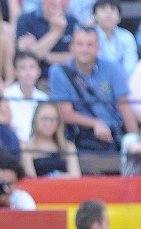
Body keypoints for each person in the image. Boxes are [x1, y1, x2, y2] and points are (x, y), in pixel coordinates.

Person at [49, 25, 139, 172]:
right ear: (71, 47)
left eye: (90, 44)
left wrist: (135, 140)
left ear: (99, 48)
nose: (85, 49)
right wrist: (95, 123)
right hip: (78, 136)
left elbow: (124, 107)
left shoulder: (113, 68)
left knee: (133, 148)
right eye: (80, 44)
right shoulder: (59, 72)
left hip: (113, 135)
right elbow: (64, 113)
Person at [15, 0, 78, 78]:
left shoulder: (73, 22)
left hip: (67, 79)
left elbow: (77, 57)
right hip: (38, 80)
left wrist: (45, 55)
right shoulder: (26, 20)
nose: (58, 2)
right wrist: (56, 32)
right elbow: (25, 56)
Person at [20, 101, 81, 177]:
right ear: (35, 120)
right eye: (44, 118)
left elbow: (76, 176)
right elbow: (31, 177)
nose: (48, 123)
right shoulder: (26, 146)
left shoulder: (68, 146)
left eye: (53, 119)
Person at [4, 50, 49, 142]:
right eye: (23, 68)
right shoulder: (6, 95)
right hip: (13, 145)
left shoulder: (44, 98)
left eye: (32, 67)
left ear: (38, 71)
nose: (28, 72)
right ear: (16, 72)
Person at [91, 0, 137, 77]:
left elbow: (130, 67)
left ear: (119, 17)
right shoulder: (89, 36)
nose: (108, 14)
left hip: (123, 81)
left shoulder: (127, 36)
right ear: (95, 16)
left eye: (112, 9)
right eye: (103, 9)